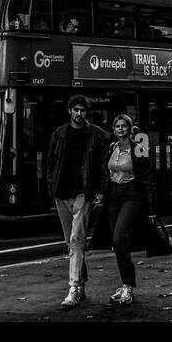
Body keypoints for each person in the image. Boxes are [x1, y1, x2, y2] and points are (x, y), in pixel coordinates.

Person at [46, 95, 106, 308]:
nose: (79, 114)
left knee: (76, 240)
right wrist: (51, 187)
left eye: (82, 110)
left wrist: (100, 191)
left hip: (83, 192)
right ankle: (81, 287)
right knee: (71, 242)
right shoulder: (58, 134)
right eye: (76, 110)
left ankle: (73, 288)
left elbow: (101, 165)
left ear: (86, 113)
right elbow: (51, 164)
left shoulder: (96, 135)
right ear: (69, 111)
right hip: (61, 193)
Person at [94, 114, 158, 306]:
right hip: (113, 197)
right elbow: (106, 174)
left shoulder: (138, 149)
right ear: (114, 130)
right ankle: (125, 283)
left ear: (130, 129)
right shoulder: (111, 148)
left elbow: (147, 180)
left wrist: (152, 210)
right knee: (117, 243)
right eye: (117, 126)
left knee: (119, 237)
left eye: (124, 126)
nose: (120, 129)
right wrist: (102, 195)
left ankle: (128, 285)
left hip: (132, 196)